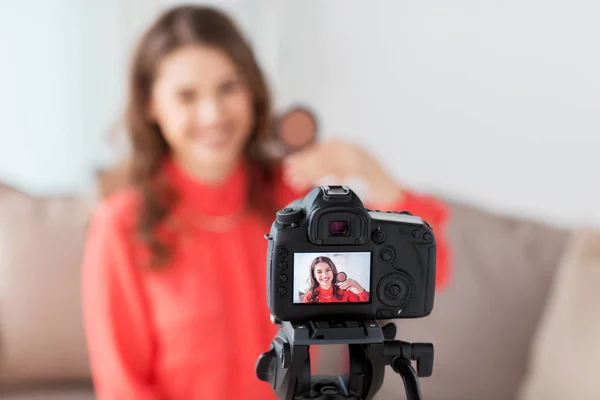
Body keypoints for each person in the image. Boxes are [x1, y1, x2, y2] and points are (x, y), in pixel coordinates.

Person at [81, 5, 452, 400]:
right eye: (187, 96)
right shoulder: (121, 225)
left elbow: (435, 270)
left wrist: (370, 172)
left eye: (228, 88)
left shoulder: (296, 199)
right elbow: (124, 386)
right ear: (151, 106)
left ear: (252, 92)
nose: (213, 114)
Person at [303, 256, 369, 303]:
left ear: (333, 271)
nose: (324, 275)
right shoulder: (309, 296)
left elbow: (365, 307)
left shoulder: (344, 292)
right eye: (319, 272)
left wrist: (358, 286)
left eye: (328, 270)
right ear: (314, 275)